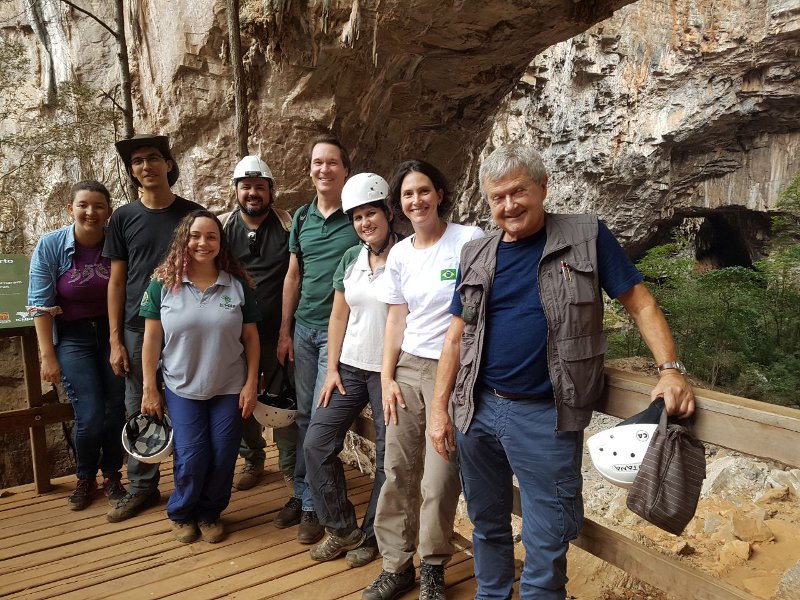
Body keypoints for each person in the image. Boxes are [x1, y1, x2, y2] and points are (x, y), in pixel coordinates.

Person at [429, 144, 696, 600]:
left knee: (547, 536)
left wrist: (670, 370)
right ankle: (490, 593)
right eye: (498, 197)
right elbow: (455, 338)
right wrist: (440, 409)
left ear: (543, 187)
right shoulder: (476, 253)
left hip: (547, 417)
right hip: (477, 409)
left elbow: (640, 303)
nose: (509, 205)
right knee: (486, 522)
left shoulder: (586, 236)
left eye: (519, 192)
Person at [364, 160, 483, 600]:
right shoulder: (398, 254)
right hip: (408, 368)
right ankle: (396, 565)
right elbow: (397, 318)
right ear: (399, 203)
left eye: (424, 191)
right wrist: (387, 376)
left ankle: (432, 564)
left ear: (440, 193)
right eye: (408, 195)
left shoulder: (468, 241)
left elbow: (482, 306)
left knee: (439, 478)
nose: (417, 201)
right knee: (396, 469)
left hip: (452, 373)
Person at [139, 209, 260, 543]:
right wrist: (150, 386)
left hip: (229, 386)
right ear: (183, 240)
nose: (202, 243)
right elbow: (151, 340)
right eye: (195, 236)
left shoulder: (235, 285)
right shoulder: (163, 284)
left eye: (211, 236)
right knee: (192, 455)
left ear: (221, 243)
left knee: (223, 455)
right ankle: (181, 513)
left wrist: (251, 383)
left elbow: (251, 338)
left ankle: (209, 513)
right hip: (181, 385)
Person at [103, 133, 204, 522]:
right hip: (135, 326)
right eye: (139, 162)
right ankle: (141, 486)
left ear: (168, 164)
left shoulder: (192, 215)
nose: (147, 166)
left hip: (183, 324)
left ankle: (188, 486)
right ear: (133, 171)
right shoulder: (124, 218)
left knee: (185, 403)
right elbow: (116, 280)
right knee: (138, 407)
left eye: (154, 159)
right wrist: (115, 339)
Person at [304, 173, 399, 568]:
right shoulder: (351, 258)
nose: (364, 223)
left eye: (371, 213)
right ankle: (343, 529)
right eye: (357, 217)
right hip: (349, 368)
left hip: (387, 373)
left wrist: (391, 375)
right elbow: (339, 315)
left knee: (387, 457)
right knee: (316, 444)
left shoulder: (406, 254)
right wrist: (331, 370)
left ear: (388, 213)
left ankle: (373, 537)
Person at [277, 134, 359, 543]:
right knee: (305, 416)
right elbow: (294, 276)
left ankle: (315, 505)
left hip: (339, 332)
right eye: (316, 162)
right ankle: (304, 495)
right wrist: (284, 331)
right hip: (305, 329)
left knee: (322, 419)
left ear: (345, 169)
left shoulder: (359, 215)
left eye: (331, 162)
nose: (323, 169)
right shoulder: (302, 217)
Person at [27, 181, 127, 511]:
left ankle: (113, 474)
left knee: (115, 408)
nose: (90, 212)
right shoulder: (52, 245)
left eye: (98, 206)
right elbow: (40, 304)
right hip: (73, 336)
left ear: (108, 212)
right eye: (83, 205)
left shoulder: (118, 240)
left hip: (113, 335)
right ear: (70, 209)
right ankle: (86, 477)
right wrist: (47, 355)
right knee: (90, 412)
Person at [219, 156, 297, 502]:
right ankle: (252, 459)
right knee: (241, 399)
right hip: (234, 334)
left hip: (278, 331)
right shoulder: (221, 228)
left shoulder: (287, 226)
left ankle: (291, 468)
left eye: (259, 187)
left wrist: (288, 329)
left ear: (270, 191)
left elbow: (299, 277)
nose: (253, 193)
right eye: (246, 186)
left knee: (282, 399)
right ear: (235, 190)